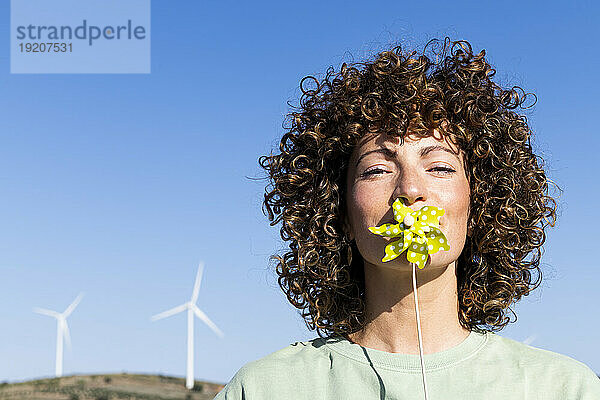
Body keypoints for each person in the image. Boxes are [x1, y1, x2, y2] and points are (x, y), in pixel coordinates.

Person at [214, 38, 600, 399]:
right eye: (377, 170)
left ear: (479, 204)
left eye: (441, 167)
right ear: (339, 212)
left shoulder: (565, 387)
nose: (409, 190)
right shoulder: (265, 388)